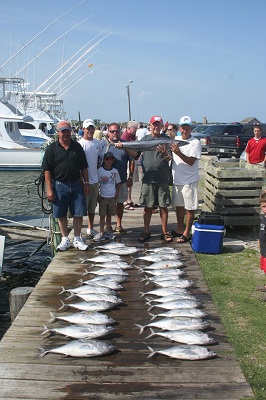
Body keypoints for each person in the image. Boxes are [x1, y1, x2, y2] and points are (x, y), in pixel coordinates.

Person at [41, 121, 90, 251]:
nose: (65, 134)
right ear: (58, 132)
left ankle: (78, 238)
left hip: (76, 184)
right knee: (61, 213)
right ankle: (65, 239)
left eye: (67, 131)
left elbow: (84, 167)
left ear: (70, 131)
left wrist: (87, 183)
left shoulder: (77, 147)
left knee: (79, 213)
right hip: (59, 185)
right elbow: (47, 171)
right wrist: (49, 189)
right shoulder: (51, 149)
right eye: (63, 131)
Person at [138, 115, 173, 243]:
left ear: (162, 126)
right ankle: (146, 231)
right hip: (148, 178)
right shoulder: (145, 139)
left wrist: (164, 154)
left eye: (158, 124)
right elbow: (134, 153)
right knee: (147, 207)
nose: (156, 126)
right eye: (154, 124)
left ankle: (164, 231)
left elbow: (170, 159)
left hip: (162, 178)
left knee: (163, 206)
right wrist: (123, 146)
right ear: (150, 125)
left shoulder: (167, 140)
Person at [171, 115, 202, 243]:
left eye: (187, 128)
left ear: (191, 128)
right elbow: (170, 157)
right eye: (183, 128)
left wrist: (178, 152)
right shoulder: (175, 139)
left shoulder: (195, 142)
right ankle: (179, 228)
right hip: (176, 179)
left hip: (189, 180)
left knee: (189, 207)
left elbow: (190, 161)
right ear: (179, 128)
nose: (185, 130)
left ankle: (186, 232)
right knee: (179, 206)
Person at [101, 123, 137, 234]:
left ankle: (118, 224)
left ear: (120, 132)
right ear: (108, 132)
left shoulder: (125, 143)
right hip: (107, 181)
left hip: (121, 179)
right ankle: (108, 225)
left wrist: (130, 176)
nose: (114, 133)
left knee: (120, 203)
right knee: (107, 204)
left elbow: (133, 157)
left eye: (116, 131)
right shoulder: (103, 144)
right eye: (112, 131)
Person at [79, 118, 103, 239]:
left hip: (95, 180)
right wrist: (83, 182)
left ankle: (90, 228)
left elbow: (99, 162)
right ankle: (79, 232)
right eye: (88, 128)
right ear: (83, 129)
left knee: (92, 207)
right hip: (83, 181)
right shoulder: (80, 144)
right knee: (82, 208)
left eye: (92, 128)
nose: (90, 130)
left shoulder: (98, 143)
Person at [93, 152, 121, 242]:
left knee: (109, 215)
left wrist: (117, 192)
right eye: (107, 159)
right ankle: (101, 232)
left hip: (112, 196)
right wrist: (97, 194)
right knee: (102, 215)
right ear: (104, 160)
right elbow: (97, 183)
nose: (109, 161)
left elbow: (118, 183)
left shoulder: (115, 171)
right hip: (103, 197)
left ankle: (108, 231)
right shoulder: (100, 170)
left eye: (111, 159)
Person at [121, 121, 139, 209]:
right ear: (129, 128)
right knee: (128, 180)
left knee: (131, 181)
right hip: (128, 161)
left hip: (133, 160)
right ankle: (125, 201)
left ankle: (129, 199)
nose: (136, 130)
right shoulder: (125, 137)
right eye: (134, 128)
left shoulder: (132, 136)